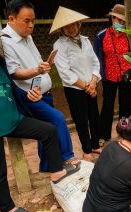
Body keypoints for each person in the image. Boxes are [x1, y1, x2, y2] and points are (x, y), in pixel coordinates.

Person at [0, 8, 79, 212]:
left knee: (49, 130)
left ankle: (55, 171)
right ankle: (6, 208)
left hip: (13, 119)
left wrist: (28, 97)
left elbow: (10, 87)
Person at [1, 0, 80, 171]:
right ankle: (67, 157)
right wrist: (37, 70)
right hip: (30, 96)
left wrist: (42, 67)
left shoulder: (27, 37)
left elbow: (34, 63)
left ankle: (46, 166)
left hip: (45, 92)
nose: (31, 25)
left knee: (45, 131)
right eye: (26, 21)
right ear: (12, 19)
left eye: (33, 21)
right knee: (58, 119)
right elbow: (13, 72)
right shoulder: (5, 40)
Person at [51, 7, 102, 162]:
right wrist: (86, 87)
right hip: (75, 90)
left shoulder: (86, 41)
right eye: (66, 26)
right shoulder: (59, 45)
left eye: (73, 24)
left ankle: (94, 144)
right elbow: (65, 73)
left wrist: (93, 82)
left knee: (94, 116)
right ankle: (86, 150)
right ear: (61, 29)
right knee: (81, 120)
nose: (71, 28)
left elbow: (95, 62)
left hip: (90, 87)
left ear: (79, 24)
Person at [94, 4, 131, 142]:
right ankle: (103, 135)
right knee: (107, 105)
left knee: (125, 105)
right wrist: (100, 76)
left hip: (126, 75)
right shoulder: (101, 35)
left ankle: (124, 133)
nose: (121, 23)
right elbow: (97, 57)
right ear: (112, 18)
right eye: (118, 20)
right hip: (109, 76)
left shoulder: (129, 36)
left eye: (123, 21)